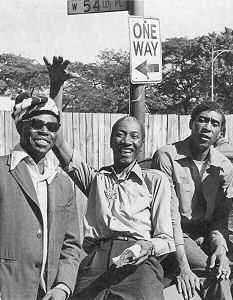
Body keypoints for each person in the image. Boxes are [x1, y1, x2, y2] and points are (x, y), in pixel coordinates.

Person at [46, 56, 175, 300]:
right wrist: (56, 88)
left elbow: (166, 238)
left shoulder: (155, 180)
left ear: (141, 144)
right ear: (111, 141)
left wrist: (148, 247)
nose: (127, 141)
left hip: (139, 263)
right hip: (96, 260)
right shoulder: (96, 179)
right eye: (121, 135)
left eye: (134, 136)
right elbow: (57, 140)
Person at [0, 92, 84, 300]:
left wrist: (63, 286)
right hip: (5, 292)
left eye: (52, 126)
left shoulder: (62, 182)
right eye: (37, 123)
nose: (45, 131)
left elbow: (71, 244)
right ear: (21, 126)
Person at [152, 102, 233, 300]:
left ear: (220, 132)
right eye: (202, 120)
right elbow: (170, 217)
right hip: (175, 235)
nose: (208, 127)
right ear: (191, 123)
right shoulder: (166, 156)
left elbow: (220, 218)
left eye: (215, 123)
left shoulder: (223, 165)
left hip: (207, 234)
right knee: (217, 277)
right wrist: (183, 268)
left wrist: (220, 248)